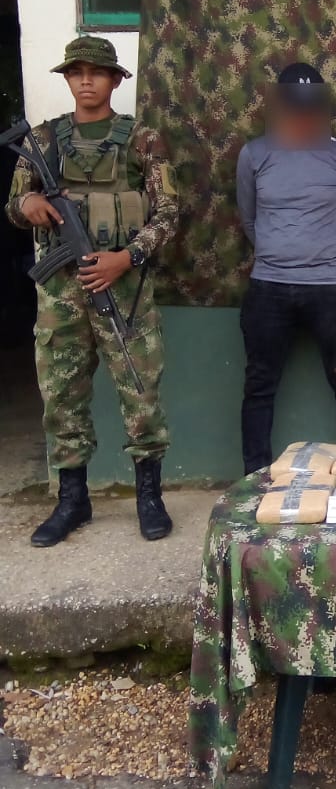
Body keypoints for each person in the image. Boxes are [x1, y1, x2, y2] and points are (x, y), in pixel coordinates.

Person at [5, 36, 179, 545]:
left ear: (116, 80)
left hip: (125, 290)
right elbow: (14, 206)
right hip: (61, 292)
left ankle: (149, 496)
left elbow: (168, 213)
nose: (86, 80)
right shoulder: (43, 139)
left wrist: (128, 257)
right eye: (76, 71)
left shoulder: (143, 140)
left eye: (97, 72)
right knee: (61, 395)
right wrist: (29, 205)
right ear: (66, 78)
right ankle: (72, 499)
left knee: (141, 392)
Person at [236, 63, 336, 473]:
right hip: (269, 287)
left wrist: (332, 259)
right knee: (259, 386)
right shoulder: (254, 154)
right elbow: (249, 220)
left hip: (331, 289)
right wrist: (279, 254)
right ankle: (255, 478)